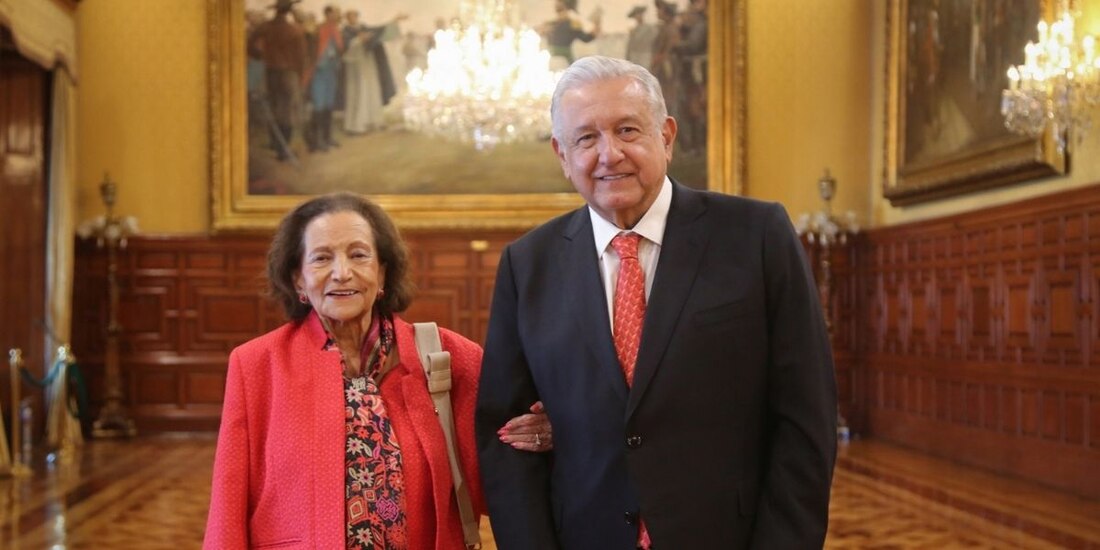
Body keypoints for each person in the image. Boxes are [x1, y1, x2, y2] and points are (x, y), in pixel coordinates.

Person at [475, 56, 837, 549]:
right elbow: (505, 437)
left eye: (627, 130)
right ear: (562, 154)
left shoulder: (756, 236)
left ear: (666, 136)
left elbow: (805, 415)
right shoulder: (527, 264)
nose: (609, 154)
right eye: (586, 138)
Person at [205, 192, 553, 548]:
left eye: (359, 255)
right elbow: (228, 506)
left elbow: (501, 473)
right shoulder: (256, 365)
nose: (342, 273)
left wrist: (548, 435)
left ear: (382, 271)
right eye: (322, 258)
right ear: (298, 279)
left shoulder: (449, 356)